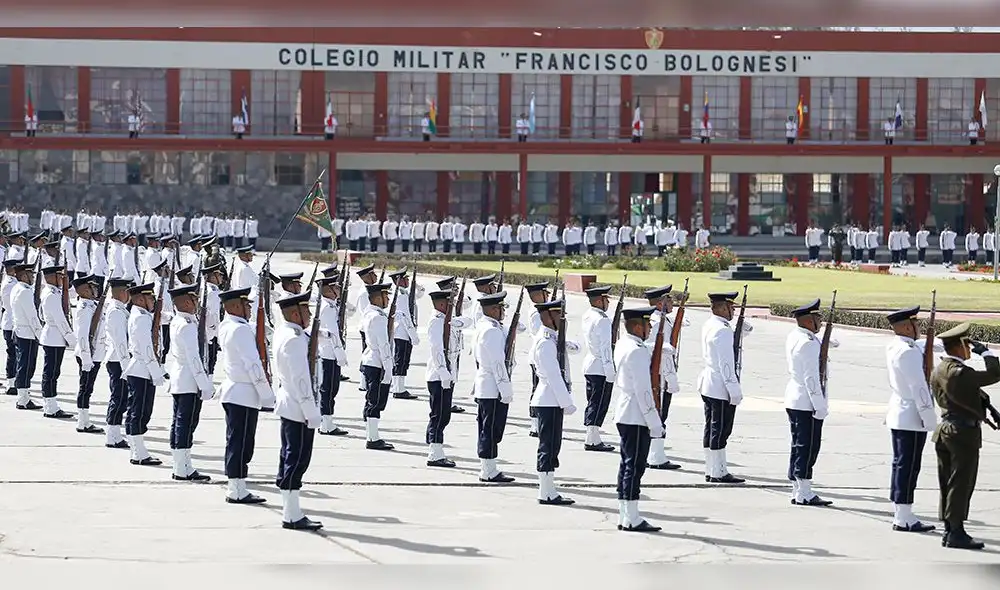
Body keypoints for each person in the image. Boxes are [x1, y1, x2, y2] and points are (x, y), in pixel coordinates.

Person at [930, 322, 1000, 550]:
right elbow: (995, 374)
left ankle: (949, 530)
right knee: (961, 483)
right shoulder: (960, 372)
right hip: (962, 434)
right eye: (967, 345)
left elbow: (969, 393)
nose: (969, 349)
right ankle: (956, 532)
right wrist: (987, 353)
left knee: (948, 482)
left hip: (946, 430)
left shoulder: (940, 368)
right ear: (959, 346)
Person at [272, 291, 324, 531]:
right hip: (298, 407)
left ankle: (290, 510)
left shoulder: (286, 332)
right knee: (297, 460)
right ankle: (292, 515)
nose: (310, 315)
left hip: (290, 404)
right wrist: (311, 411)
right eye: (306, 311)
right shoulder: (294, 340)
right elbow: (301, 380)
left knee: (289, 457)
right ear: (295, 314)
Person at [884, 306, 938, 533]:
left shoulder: (896, 346)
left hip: (900, 413)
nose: (919, 328)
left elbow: (923, 347)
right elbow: (919, 388)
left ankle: (901, 511)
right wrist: (930, 418)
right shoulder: (908, 352)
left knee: (901, 464)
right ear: (907, 327)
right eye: (916, 324)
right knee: (908, 466)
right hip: (913, 416)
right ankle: (904, 517)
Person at [218, 287, 275, 505]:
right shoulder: (240, 330)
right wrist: (267, 395)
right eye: (246, 305)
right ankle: (236, 490)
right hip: (243, 393)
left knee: (237, 441)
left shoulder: (228, 326)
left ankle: (237, 485)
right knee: (241, 443)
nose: (250, 309)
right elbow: (253, 365)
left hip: (235, 391)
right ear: (235, 307)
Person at [612, 306, 662, 533]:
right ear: (638, 327)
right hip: (636, 415)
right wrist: (654, 422)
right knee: (635, 466)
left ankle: (625, 514)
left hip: (625, 411)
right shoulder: (637, 351)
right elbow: (644, 390)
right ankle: (632, 517)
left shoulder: (625, 344)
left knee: (626, 464)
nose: (650, 328)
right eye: (647, 324)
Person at [784, 299, 834, 507]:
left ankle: (797, 489)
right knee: (808, 447)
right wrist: (819, 404)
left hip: (795, 398)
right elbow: (811, 378)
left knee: (798, 445)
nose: (820, 322)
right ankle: (804, 492)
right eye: (817, 318)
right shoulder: (808, 343)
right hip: (807, 401)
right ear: (808, 321)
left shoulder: (796, 336)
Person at [697, 291, 751, 484]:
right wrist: (734, 390)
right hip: (720, 386)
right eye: (731, 307)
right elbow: (726, 364)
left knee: (711, 428)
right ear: (722, 308)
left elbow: (743, 333)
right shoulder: (723, 330)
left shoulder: (711, 324)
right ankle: (719, 472)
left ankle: (711, 468)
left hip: (709, 384)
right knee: (720, 431)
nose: (734, 311)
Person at [164, 283, 214, 482]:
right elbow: (194, 358)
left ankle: (180, 465)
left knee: (179, 423)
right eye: (194, 299)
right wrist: (204, 384)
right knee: (186, 424)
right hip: (190, 380)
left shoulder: (180, 321)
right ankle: (183, 468)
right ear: (185, 302)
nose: (197, 302)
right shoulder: (187, 326)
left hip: (181, 378)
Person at [530, 299, 577, 506]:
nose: (563, 318)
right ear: (547, 317)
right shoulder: (545, 343)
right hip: (549, 399)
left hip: (552, 400)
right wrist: (566, 402)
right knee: (548, 446)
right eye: (559, 315)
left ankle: (549, 489)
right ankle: (546, 492)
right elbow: (554, 376)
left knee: (553, 446)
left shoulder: (552, 339)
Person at [473, 291, 516, 483]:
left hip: (488, 385)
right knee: (491, 429)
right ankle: (488, 470)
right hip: (493, 386)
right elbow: (498, 363)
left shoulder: (486, 326)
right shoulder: (491, 331)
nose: (503, 312)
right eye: (500, 308)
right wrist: (505, 389)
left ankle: (489, 467)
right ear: (492, 309)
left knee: (489, 428)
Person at [122, 283, 166, 466]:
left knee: (139, 411)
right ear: (140, 300)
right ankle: (138, 453)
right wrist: (156, 372)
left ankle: (137, 450)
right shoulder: (141, 318)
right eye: (150, 298)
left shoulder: (142, 315)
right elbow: (147, 348)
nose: (153, 301)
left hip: (142, 369)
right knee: (139, 412)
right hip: (142, 370)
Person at [645, 286, 683, 470]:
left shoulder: (661, 320)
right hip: (658, 376)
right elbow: (657, 352)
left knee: (660, 415)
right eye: (669, 300)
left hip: (660, 375)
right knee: (659, 415)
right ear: (660, 304)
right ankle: (655, 456)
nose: (672, 303)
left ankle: (655, 453)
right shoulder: (655, 323)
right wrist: (670, 377)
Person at [581, 285, 617, 453]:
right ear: (598, 301)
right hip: (600, 366)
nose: (608, 303)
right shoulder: (602, 320)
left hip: (590, 363)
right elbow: (605, 347)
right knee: (599, 403)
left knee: (593, 401)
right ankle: (592, 440)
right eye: (605, 300)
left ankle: (593, 437)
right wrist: (610, 369)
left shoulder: (588, 315)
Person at [361, 282, 395, 451]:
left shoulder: (370, 313)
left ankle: (372, 435)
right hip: (378, 363)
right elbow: (384, 345)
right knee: (375, 402)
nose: (388, 299)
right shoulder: (379, 318)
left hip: (371, 360)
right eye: (385, 295)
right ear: (377, 298)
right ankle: (372, 439)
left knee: (372, 400)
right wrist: (388, 368)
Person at [39, 265, 76, 419]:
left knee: (53, 372)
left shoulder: (52, 292)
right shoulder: (52, 295)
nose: (62, 278)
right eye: (59, 276)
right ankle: (50, 407)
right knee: (51, 373)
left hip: (53, 336)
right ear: (51, 277)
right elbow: (60, 320)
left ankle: (51, 404)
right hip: (54, 337)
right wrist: (72, 340)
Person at [315, 276, 349, 437]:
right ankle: (326, 424)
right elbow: (333, 333)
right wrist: (340, 354)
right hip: (329, 354)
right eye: (336, 287)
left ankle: (326, 421)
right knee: (329, 389)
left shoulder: (330, 305)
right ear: (328, 290)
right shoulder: (328, 308)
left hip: (328, 352)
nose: (339, 289)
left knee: (329, 389)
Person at [72, 275, 104, 434]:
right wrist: (86, 358)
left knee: (88, 388)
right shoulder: (84, 308)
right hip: (88, 355)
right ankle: (82, 422)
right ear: (85, 290)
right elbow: (83, 336)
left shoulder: (92, 305)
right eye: (93, 287)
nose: (96, 289)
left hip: (94, 353)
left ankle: (84, 421)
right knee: (85, 388)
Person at [11, 263, 41, 410]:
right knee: (26, 366)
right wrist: (40, 335)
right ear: (23, 276)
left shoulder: (17, 288)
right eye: (30, 275)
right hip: (27, 333)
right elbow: (32, 317)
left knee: (23, 364)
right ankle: (22, 399)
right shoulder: (25, 292)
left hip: (20, 331)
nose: (33, 277)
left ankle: (23, 396)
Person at [388, 269, 420, 401]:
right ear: (399, 280)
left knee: (402, 360)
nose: (407, 280)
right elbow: (405, 316)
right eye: (405, 278)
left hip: (402, 332)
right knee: (401, 361)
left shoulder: (403, 293)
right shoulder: (401, 296)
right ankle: (398, 389)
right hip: (403, 332)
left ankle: (398, 387)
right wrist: (413, 335)